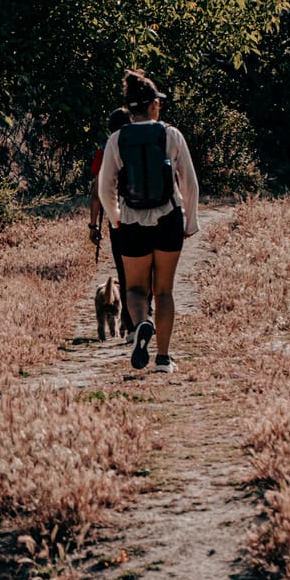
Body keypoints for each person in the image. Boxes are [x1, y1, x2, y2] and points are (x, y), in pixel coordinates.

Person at [96, 69, 200, 372]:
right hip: (168, 220)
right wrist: (190, 222)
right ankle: (164, 358)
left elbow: (106, 187)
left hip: (131, 223)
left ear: (130, 107)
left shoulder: (117, 139)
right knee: (164, 291)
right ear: (153, 104)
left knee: (135, 289)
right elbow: (189, 182)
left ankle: (142, 323)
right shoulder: (170, 135)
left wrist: (116, 218)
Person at [87, 106, 132, 313]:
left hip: (118, 216)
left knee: (123, 264)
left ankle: (128, 311)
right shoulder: (143, 145)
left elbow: (97, 193)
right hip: (148, 212)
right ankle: (144, 303)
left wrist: (93, 226)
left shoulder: (104, 150)